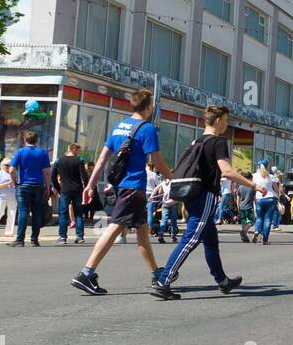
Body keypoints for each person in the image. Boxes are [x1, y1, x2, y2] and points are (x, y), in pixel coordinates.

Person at [153, 105, 267, 300]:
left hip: (191, 195)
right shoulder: (218, 142)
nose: (226, 124)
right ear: (217, 121)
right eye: (225, 120)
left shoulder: (197, 141)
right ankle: (164, 280)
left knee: (211, 242)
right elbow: (227, 171)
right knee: (190, 239)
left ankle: (222, 281)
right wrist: (254, 186)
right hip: (204, 195)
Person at [71, 89, 171, 295]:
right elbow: (157, 161)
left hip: (122, 187)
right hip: (134, 187)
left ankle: (156, 273)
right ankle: (86, 273)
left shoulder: (118, 127)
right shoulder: (147, 129)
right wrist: (173, 177)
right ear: (149, 106)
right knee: (115, 227)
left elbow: (102, 159)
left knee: (142, 230)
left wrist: (90, 185)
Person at [8, 130, 52, 246]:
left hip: (23, 185)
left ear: (25, 140)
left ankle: (19, 240)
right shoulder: (43, 153)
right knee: (36, 212)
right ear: (37, 140)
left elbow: (11, 170)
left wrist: (15, 182)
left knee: (23, 212)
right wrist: (47, 187)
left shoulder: (19, 152)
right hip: (38, 185)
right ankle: (34, 240)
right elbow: (46, 172)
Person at [52, 142, 86, 244]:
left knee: (63, 213)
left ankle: (62, 237)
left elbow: (53, 177)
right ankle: (79, 236)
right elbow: (84, 176)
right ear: (73, 149)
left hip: (65, 190)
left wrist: (58, 188)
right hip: (77, 189)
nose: (79, 153)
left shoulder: (59, 160)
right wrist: (86, 187)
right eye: (78, 150)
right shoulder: (79, 160)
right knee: (78, 213)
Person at [251, 163, 279, 244]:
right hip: (271, 198)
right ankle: (265, 239)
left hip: (259, 198)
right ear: (267, 167)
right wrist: (278, 196)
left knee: (259, 217)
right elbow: (276, 189)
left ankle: (257, 231)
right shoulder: (271, 176)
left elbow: (252, 186)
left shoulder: (254, 176)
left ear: (258, 167)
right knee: (268, 219)